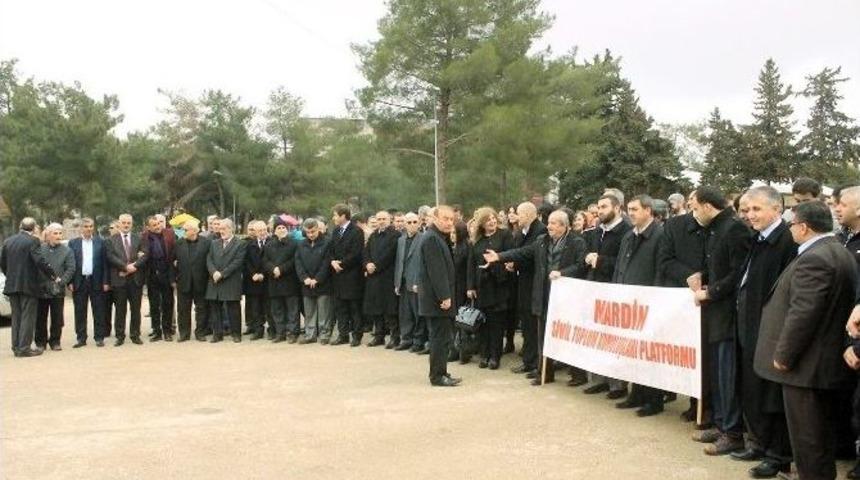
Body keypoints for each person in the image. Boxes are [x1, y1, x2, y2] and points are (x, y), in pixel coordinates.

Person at [755, 200, 857, 480]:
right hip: (818, 364)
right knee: (817, 436)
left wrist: (784, 355)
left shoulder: (816, 257)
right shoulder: (836, 251)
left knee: (809, 439)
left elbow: (804, 313)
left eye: (791, 224)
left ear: (803, 227)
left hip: (806, 368)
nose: (790, 229)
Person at [728, 186, 796, 478]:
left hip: (770, 331)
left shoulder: (787, 241)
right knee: (752, 390)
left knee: (771, 395)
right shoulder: (757, 238)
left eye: (756, 209)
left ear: (776, 209)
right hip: (748, 326)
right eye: (746, 209)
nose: (749, 215)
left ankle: (778, 454)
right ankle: (758, 442)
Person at [484, 209, 587, 385]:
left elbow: (581, 266)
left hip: (567, 297)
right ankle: (545, 372)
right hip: (544, 294)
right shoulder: (541, 241)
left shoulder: (577, 242)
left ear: (564, 226)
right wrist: (499, 257)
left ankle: (578, 375)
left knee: (569, 335)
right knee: (543, 336)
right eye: (549, 222)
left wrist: (562, 273)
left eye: (554, 223)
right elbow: (522, 252)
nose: (549, 226)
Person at [688, 186, 751, 456]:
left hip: (728, 313)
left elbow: (738, 272)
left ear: (707, 205)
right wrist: (700, 275)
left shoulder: (734, 228)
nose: (693, 212)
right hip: (715, 312)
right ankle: (722, 422)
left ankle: (733, 432)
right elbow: (717, 264)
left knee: (727, 374)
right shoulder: (716, 228)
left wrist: (710, 291)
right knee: (716, 372)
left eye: (695, 206)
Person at [609, 196, 667, 417]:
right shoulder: (628, 236)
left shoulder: (660, 235)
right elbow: (620, 266)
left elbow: (661, 269)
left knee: (649, 353)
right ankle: (636, 394)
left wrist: (655, 299)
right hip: (627, 303)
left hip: (648, 304)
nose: (630, 213)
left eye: (635, 209)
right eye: (629, 209)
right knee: (633, 351)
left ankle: (654, 400)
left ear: (648, 210)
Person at [657, 194, 708, 421]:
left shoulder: (722, 226)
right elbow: (665, 260)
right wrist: (688, 276)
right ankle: (692, 401)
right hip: (682, 299)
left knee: (707, 357)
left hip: (711, 297)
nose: (693, 206)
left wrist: (704, 277)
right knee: (685, 353)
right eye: (692, 202)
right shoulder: (675, 226)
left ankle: (706, 406)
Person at [583, 194, 632, 398]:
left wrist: (600, 260)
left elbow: (624, 263)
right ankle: (598, 379)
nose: (600, 211)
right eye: (598, 207)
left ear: (617, 208)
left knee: (614, 340)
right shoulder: (596, 231)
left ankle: (617, 385)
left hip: (615, 290)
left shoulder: (626, 232)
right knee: (596, 337)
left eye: (604, 207)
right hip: (595, 289)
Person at [465, 207, 513, 369]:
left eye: (493, 218)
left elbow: (510, 256)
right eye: (488, 219)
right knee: (482, 323)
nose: (492, 221)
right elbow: (471, 264)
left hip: (499, 285)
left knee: (496, 323)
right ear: (482, 224)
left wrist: (494, 263)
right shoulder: (476, 240)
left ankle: (495, 356)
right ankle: (484, 355)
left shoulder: (504, 235)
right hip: (481, 286)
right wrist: (470, 286)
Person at [418, 205, 461, 387]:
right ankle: (437, 376)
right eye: (445, 218)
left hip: (438, 298)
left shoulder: (438, 237)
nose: (449, 222)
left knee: (442, 338)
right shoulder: (432, 239)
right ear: (434, 218)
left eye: (451, 219)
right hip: (437, 300)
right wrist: (444, 296)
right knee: (439, 338)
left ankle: (441, 371)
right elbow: (437, 272)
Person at [1, 217, 56, 357]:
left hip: (12, 284)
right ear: (33, 228)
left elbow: (3, 263)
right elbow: (39, 260)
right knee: (28, 316)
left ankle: (16, 347)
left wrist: (10, 276)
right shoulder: (33, 241)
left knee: (16, 317)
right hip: (28, 285)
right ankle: (25, 347)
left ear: (20, 226)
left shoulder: (8, 241)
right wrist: (52, 274)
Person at [509, 202, 547, 378]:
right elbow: (519, 253)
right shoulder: (521, 232)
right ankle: (528, 361)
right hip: (523, 284)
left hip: (535, 284)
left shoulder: (540, 231)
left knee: (534, 326)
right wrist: (513, 264)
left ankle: (536, 364)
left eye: (519, 214)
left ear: (529, 214)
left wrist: (504, 258)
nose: (516, 217)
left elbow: (529, 253)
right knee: (526, 324)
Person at [106, 214, 148, 346]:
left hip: (135, 279)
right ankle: (120, 336)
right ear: (119, 223)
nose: (126, 225)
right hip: (119, 279)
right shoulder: (111, 240)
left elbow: (145, 255)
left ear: (132, 224)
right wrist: (125, 267)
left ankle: (135, 335)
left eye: (128, 223)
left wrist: (134, 266)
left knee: (136, 309)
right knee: (120, 309)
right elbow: (111, 257)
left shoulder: (139, 238)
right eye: (123, 222)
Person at [68, 218, 110, 348]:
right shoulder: (73, 243)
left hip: (96, 280)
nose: (89, 229)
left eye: (91, 226)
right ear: (81, 228)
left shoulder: (100, 242)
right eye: (86, 226)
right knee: (80, 311)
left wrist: (105, 281)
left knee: (98, 310)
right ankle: (81, 338)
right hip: (79, 281)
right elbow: (69, 264)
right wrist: (69, 281)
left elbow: (105, 264)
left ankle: (99, 337)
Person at [363, 210, 401, 348]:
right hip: (373, 278)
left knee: (390, 309)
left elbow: (390, 254)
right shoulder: (373, 235)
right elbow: (366, 252)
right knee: (375, 308)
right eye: (378, 219)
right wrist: (367, 264)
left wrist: (376, 266)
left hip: (387, 276)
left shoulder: (395, 235)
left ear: (389, 219)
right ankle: (378, 336)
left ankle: (394, 337)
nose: (381, 221)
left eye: (384, 218)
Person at [330, 204, 366, 346]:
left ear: (343, 216)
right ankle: (343, 334)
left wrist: (342, 264)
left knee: (354, 307)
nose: (333, 218)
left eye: (335, 215)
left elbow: (356, 253)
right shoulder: (335, 231)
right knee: (340, 307)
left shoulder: (356, 231)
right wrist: (333, 261)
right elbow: (331, 249)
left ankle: (357, 335)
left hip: (352, 275)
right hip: (338, 276)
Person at [35, 223, 75, 351]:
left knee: (57, 317)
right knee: (40, 317)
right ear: (49, 235)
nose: (58, 236)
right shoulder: (40, 249)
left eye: (60, 233)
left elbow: (71, 268)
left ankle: (55, 341)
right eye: (55, 233)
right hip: (41, 288)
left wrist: (62, 282)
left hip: (57, 289)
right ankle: (41, 342)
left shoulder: (67, 250)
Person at [206, 219, 246, 343]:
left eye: (224, 229)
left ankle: (236, 334)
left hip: (231, 281)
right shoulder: (214, 243)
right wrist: (214, 272)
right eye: (220, 229)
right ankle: (217, 334)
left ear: (231, 229)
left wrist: (222, 274)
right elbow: (209, 259)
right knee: (215, 308)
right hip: (215, 280)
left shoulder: (240, 244)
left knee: (233, 308)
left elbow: (237, 262)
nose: (221, 231)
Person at [296, 218, 333, 344]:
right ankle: (310, 334)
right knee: (309, 312)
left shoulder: (327, 242)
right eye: (308, 232)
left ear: (318, 229)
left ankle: (324, 334)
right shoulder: (301, 244)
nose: (311, 234)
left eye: (313, 231)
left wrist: (317, 279)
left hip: (323, 283)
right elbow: (298, 262)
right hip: (306, 283)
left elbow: (326, 263)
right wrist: (304, 278)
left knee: (324, 312)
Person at [173, 220, 212, 342]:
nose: (183, 232)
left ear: (195, 230)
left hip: (201, 281)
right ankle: (184, 334)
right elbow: (172, 262)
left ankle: (200, 333)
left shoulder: (206, 243)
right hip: (183, 282)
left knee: (201, 309)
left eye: (186, 229)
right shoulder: (178, 243)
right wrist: (173, 279)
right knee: (183, 309)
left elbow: (210, 261)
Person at [264, 217, 301, 343]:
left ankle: (292, 333)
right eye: (278, 228)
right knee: (277, 310)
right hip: (274, 282)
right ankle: (280, 333)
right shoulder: (269, 245)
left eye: (283, 227)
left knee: (292, 310)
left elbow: (295, 260)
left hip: (290, 281)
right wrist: (273, 269)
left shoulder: (294, 243)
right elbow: (265, 261)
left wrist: (281, 269)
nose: (281, 230)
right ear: (274, 231)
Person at [142, 215, 175, 341]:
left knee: (168, 303)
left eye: (158, 224)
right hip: (151, 274)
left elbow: (174, 252)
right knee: (154, 305)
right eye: (154, 225)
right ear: (148, 227)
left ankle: (167, 331)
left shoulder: (170, 234)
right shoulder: (144, 237)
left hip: (166, 273)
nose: (158, 227)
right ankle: (156, 331)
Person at [394, 212, 422, 351]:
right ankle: (406, 338)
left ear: (419, 223)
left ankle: (418, 341)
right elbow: (399, 262)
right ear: (404, 224)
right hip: (403, 281)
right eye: (409, 222)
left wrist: (419, 281)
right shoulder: (401, 240)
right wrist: (397, 283)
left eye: (414, 222)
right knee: (405, 313)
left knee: (417, 313)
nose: (412, 225)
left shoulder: (423, 239)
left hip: (416, 282)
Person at [243, 220, 271, 340]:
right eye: (260, 230)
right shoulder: (249, 245)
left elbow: (272, 260)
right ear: (255, 232)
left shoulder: (272, 242)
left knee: (269, 307)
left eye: (264, 230)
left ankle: (272, 330)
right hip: (253, 281)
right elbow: (246, 262)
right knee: (255, 308)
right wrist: (253, 274)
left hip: (268, 280)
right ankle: (257, 330)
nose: (263, 232)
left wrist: (263, 274)